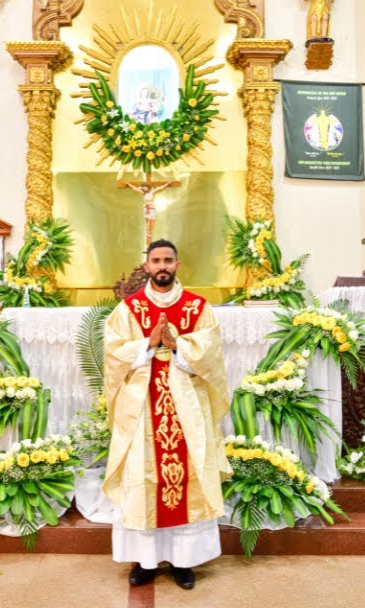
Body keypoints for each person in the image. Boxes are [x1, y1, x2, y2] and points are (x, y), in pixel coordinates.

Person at [103, 239, 230, 589]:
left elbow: (212, 352)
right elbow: (113, 353)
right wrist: (146, 344)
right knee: (143, 478)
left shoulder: (197, 307)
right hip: (142, 406)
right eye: (156, 260)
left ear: (177, 264)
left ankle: (183, 561)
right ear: (146, 266)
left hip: (186, 404)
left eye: (168, 260)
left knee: (185, 477)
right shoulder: (129, 309)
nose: (162, 266)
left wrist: (178, 345)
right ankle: (144, 561)